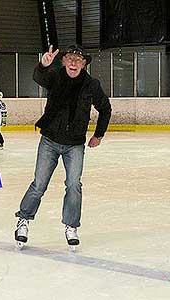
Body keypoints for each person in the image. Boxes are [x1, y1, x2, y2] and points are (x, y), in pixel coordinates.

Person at [14, 44, 112, 249]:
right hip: (49, 140)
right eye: (70, 59)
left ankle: (71, 226)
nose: (74, 63)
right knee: (39, 184)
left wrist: (99, 135)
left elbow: (105, 108)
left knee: (74, 185)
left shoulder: (91, 85)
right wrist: (43, 65)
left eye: (79, 60)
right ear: (64, 61)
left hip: (75, 144)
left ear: (84, 64)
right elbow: (39, 78)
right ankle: (23, 220)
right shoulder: (55, 77)